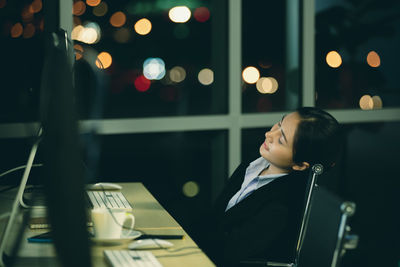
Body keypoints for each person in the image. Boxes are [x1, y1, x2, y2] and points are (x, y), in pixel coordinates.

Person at [194, 107, 342, 267]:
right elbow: (218, 217)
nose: (269, 134)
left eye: (281, 140)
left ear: (299, 165)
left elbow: (228, 252)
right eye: (279, 125)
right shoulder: (255, 163)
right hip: (200, 250)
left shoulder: (282, 207)